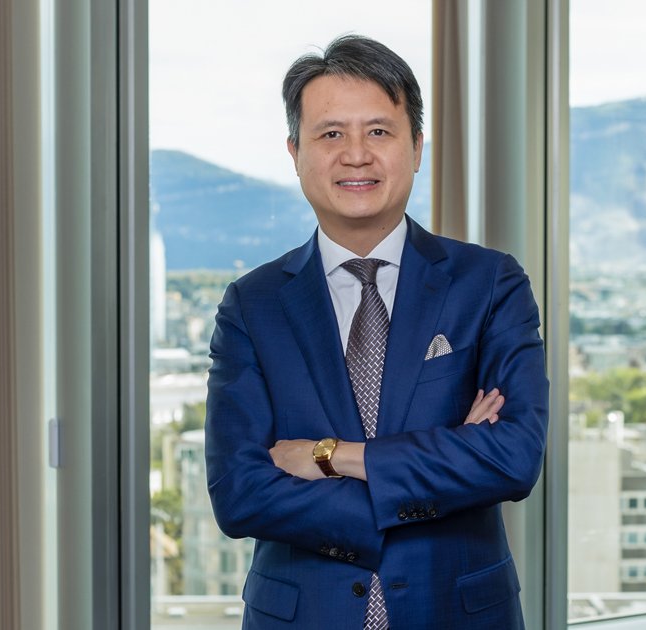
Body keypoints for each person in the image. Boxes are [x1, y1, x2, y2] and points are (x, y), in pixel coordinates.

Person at [205, 34, 549, 629]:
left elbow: (512, 457)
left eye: (380, 132)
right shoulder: (252, 305)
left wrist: (330, 456)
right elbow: (240, 493)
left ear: (416, 147)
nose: (356, 154)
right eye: (331, 133)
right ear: (295, 151)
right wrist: (442, 469)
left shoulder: (489, 283)